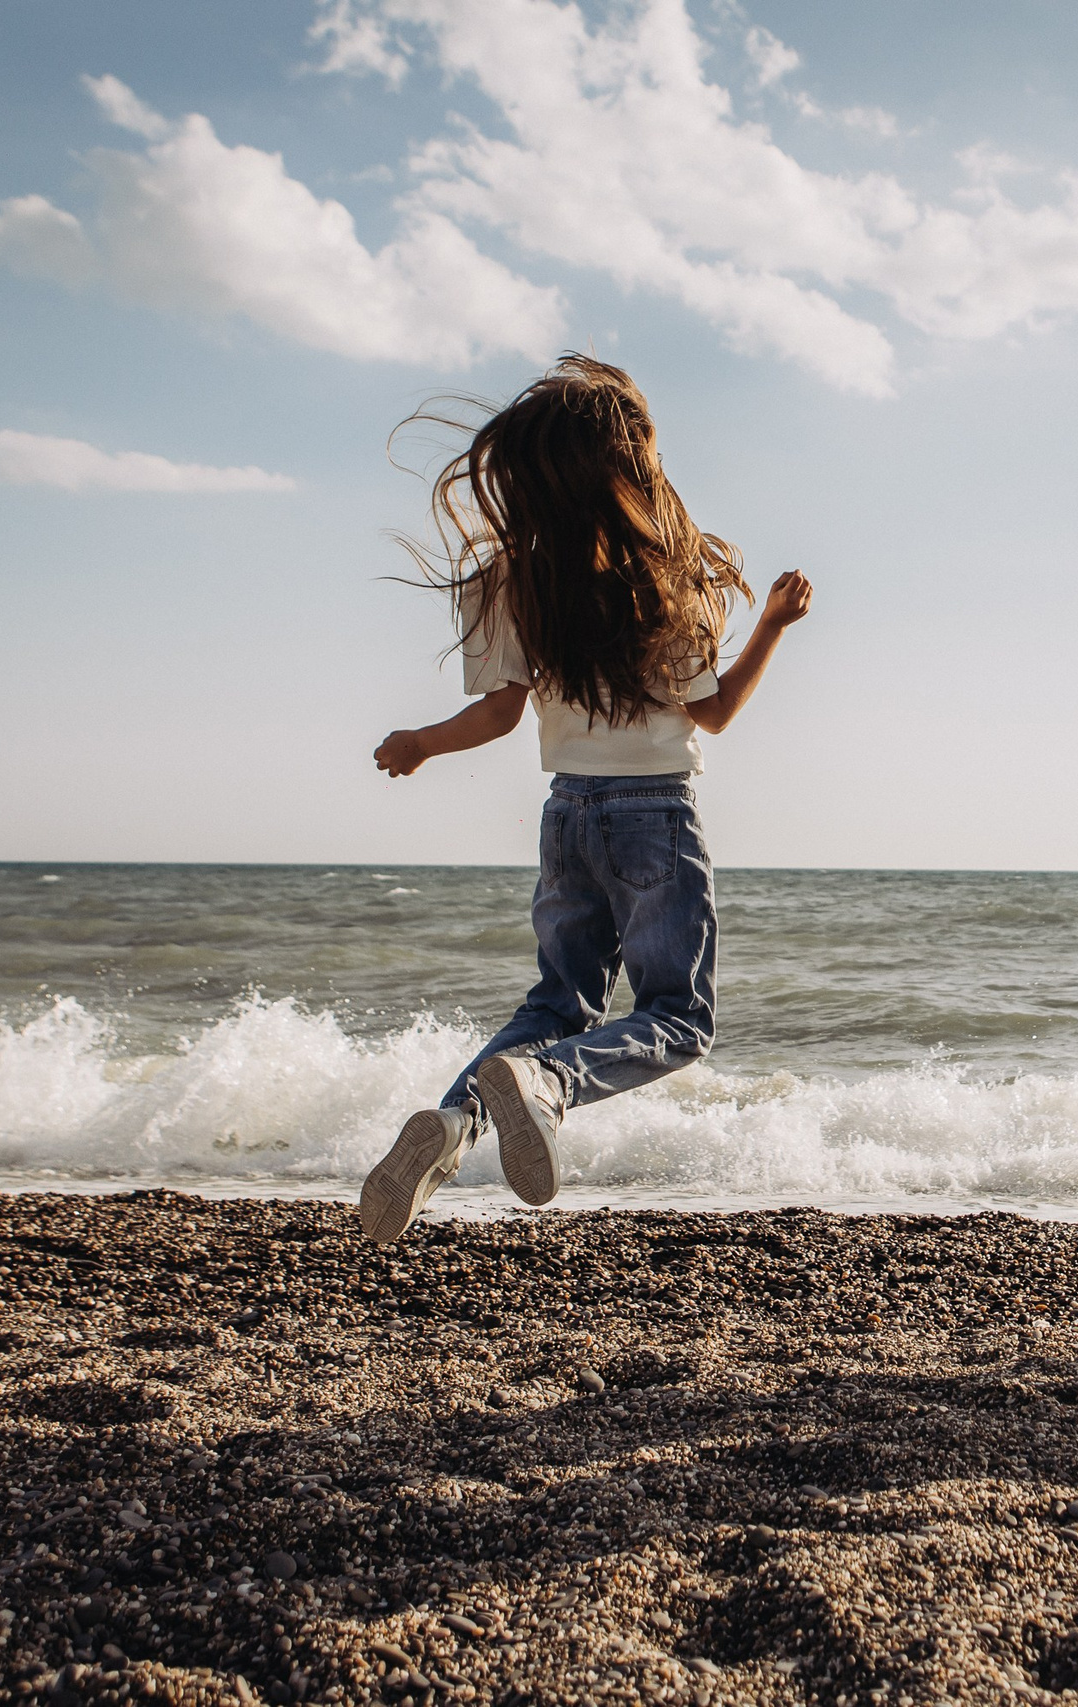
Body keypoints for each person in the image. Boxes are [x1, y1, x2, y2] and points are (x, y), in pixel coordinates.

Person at [356, 356, 813, 1243]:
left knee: (556, 1005)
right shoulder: (661, 572)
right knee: (677, 1019)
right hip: (654, 813)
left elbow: (496, 713)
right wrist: (770, 630)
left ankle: (452, 1126)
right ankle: (551, 1086)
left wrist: (419, 744)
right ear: (628, 460)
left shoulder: (508, 578)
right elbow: (711, 714)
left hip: (566, 813)